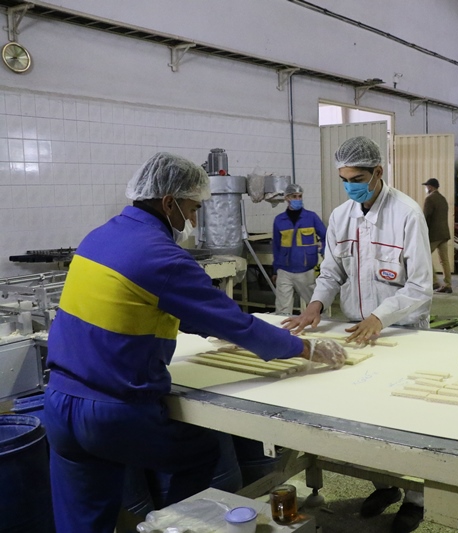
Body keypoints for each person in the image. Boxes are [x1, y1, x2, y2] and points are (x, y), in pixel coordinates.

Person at [44, 153, 347, 533]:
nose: (193, 219)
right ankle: (175, 527)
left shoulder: (98, 237)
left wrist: (217, 329)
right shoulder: (162, 256)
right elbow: (232, 319)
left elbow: (158, 307)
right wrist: (305, 348)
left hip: (58, 404)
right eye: (192, 209)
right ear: (169, 202)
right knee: (200, 453)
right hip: (111, 412)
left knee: (83, 520)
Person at [282, 136, 431, 533]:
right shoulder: (341, 216)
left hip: (401, 330)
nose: (350, 186)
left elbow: (419, 286)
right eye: (344, 179)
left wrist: (380, 317)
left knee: (406, 420)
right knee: (366, 417)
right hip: (356, 332)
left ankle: (416, 498)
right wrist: (316, 303)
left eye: (358, 179)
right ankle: (385, 485)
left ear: (378, 172)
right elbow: (331, 270)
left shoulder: (407, 214)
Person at [272, 183, 327, 314]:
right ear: (287, 198)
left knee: (316, 307)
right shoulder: (279, 220)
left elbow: (327, 237)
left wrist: (324, 254)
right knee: (282, 310)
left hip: (306, 271)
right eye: (294, 196)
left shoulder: (311, 217)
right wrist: (275, 270)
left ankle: (321, 324)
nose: (297, 199)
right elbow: (276, 247)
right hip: (284, 271)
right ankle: (283, 326)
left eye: (300, 196)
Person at [422, 178, 453, 293]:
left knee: (424, 256)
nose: (426, 188)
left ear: (430, 187)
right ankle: (448, 284)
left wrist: (421, 231)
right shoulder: (442, 198)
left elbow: (425, 217)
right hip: (444, 233)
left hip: (434, 234)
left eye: (427, 186)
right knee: (444, 260)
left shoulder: (429, 199)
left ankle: (434, 281)